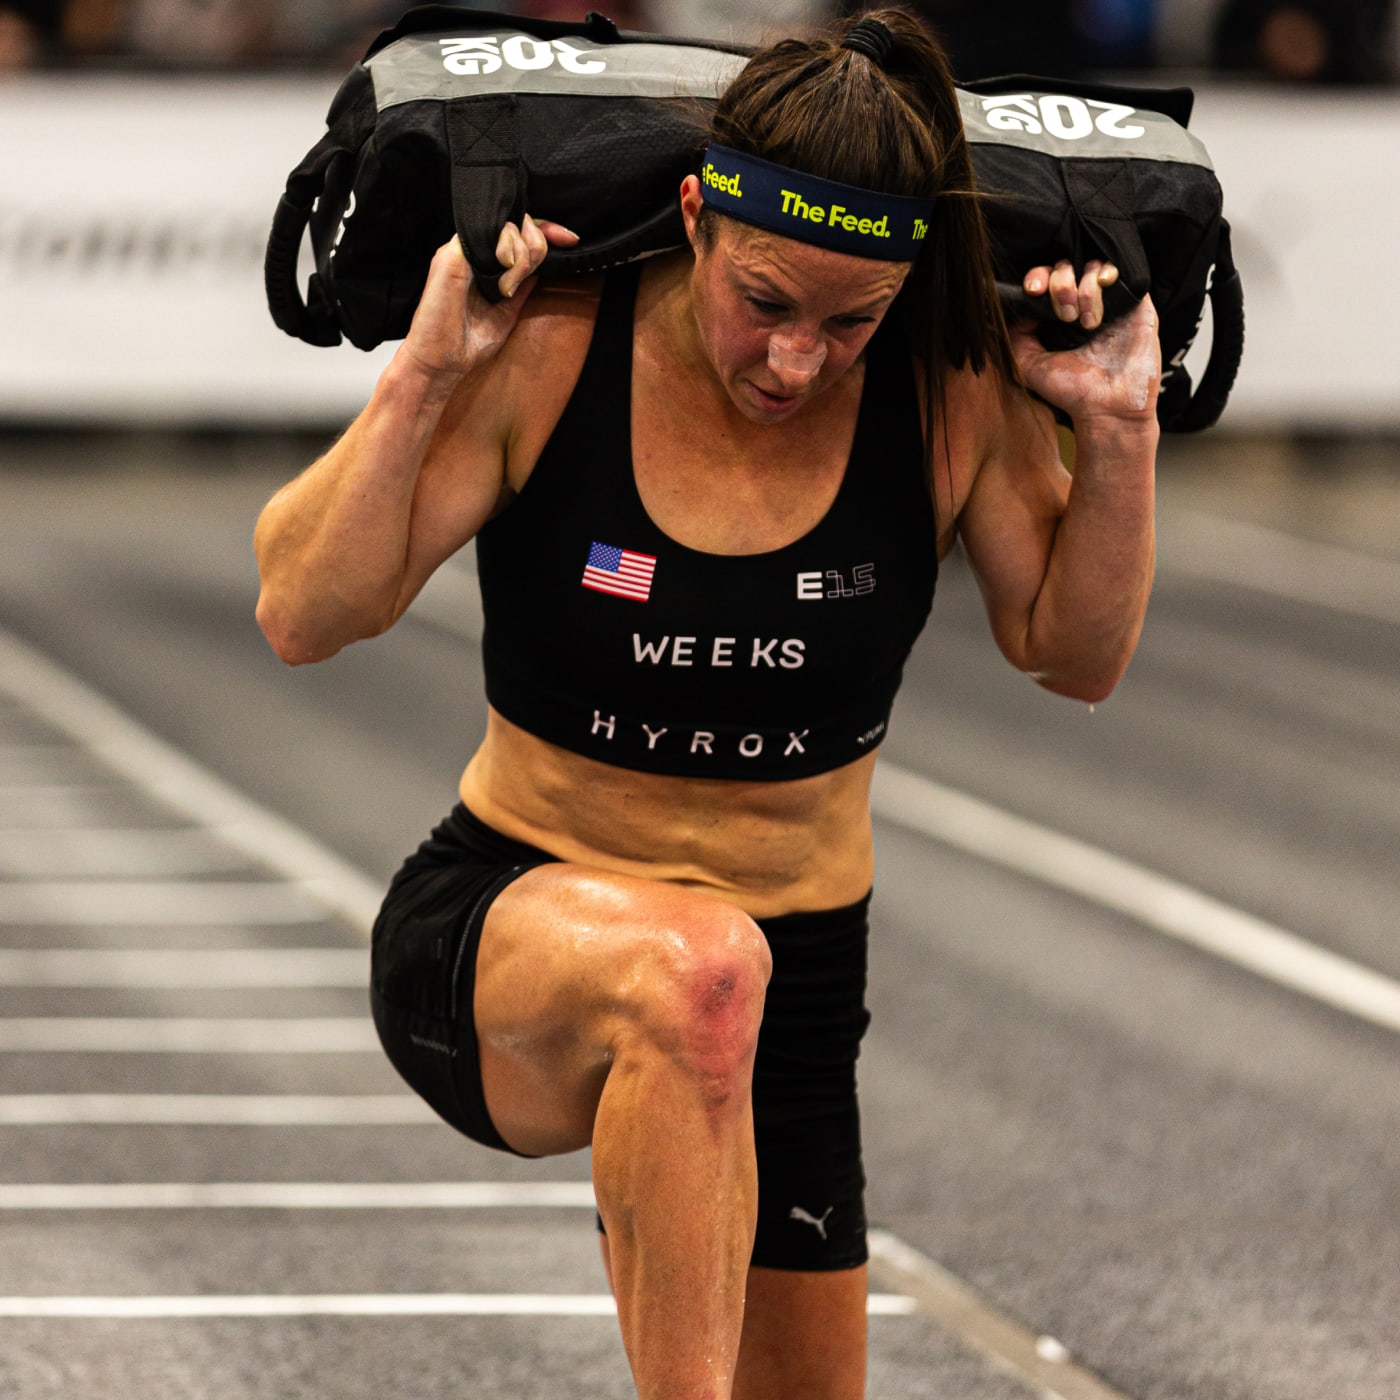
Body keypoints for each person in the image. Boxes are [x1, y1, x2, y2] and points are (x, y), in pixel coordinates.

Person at [253, 10, 1160, 1398]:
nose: (797, 363)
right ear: (696, 218)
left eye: (851, 322)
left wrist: (1118, 430)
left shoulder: (948, 391)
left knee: (729, 986)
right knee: (699, 968)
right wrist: (428, 373)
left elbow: (1074, 654)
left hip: (794, 1001)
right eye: (768, 303)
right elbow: (302, 612)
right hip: (510, 933)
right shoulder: (555, 347)